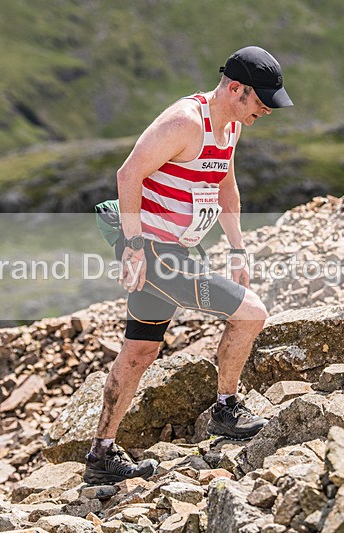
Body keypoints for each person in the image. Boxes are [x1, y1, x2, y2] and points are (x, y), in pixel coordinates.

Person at [83, 46, 294, 485]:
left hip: (177, 251)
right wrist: (135, 247)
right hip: (157, 252)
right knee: (252, 313)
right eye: (261, 102)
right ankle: (226, 409)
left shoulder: (232, 125)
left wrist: (238, 250)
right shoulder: (184, 122)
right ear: (235, 88)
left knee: (140, 351)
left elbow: (225, 187)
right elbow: (128, 174)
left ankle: (101, 456)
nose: (267, 112)